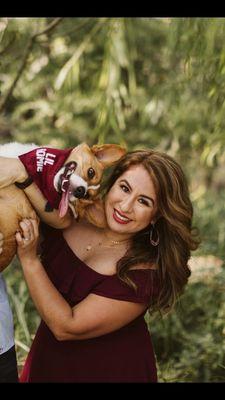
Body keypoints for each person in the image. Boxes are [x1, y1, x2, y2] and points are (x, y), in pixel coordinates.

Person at [0, 149, 199, 382]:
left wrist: (30, 259)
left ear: (157, 215)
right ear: (111, 183)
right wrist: (22, 174)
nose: (125, 206)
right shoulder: (71, 215)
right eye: (124, 188)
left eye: (143, 201)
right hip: (48, 362)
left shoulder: (145, 273)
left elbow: (67, 326)